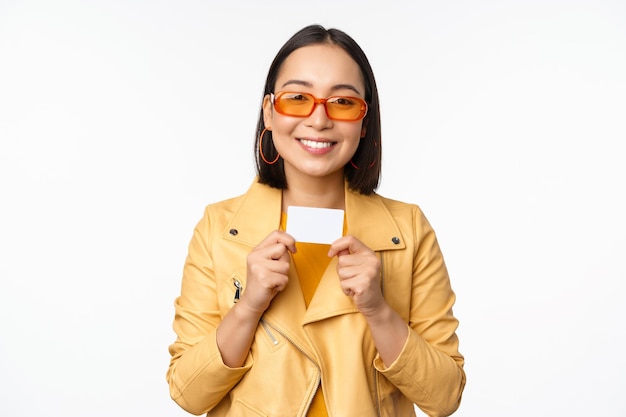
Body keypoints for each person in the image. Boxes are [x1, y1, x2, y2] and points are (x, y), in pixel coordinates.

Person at [166, 24, 465, 417]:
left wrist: (377, 309)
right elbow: (188, 394)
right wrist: (248, 306)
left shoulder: (406, 230)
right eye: (297, 98)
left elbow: (444, 398)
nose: (319, 119)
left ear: (364, 120)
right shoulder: (220, 228)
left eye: (342, 102)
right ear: (270, 113)